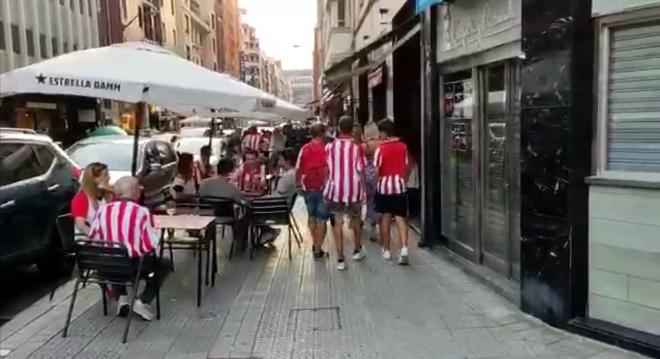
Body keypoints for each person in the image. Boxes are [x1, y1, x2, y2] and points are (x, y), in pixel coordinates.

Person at [89, 176, 170, 321]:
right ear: (133, 190)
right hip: (130, 269)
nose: (141, 189)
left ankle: (123, 299)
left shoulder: (103, 210)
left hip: (105, 268)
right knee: (163, 264)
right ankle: (142, 301)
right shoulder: (141, 212)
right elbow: (151, 244)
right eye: (139, 186)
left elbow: (93, 238)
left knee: (113, 255)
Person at [324, 116, 366, 270]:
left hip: (335, 189)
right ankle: (357, 249)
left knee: (337, 221)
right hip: (354, 188)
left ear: (339, 128)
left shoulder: (329, 147)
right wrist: (364, 192)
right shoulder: (357, 148)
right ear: (352, 130)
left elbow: (327, 169)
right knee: (356, 218)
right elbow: (360, 170)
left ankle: (340, 259)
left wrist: (326, 185)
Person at [374, 119, 410, 265]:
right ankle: (404, 249)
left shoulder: (380, 149)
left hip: (384, 187)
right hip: (399, 186)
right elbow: (406, 167)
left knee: (386, 218)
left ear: (383, 132)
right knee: (401, 218)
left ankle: (387, 250)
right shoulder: (403, 146)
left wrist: (378, 182)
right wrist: (403, 181)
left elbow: (377, 170)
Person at [296, 123, 331, 260]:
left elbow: (298, 168)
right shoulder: (326, 149)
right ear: (322, 134)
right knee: (322, 219)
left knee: (311, 216)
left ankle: (316, 245)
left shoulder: (304, 148)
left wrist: (298, 184)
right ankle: (318, 247)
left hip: (307, 187)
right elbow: (328, 169)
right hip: (323, 187)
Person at [71, 162, 114, 238]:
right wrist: (98, 237)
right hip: (89, 241)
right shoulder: (81, 198)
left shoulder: (108, 195)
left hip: (108, 239)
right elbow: (81, 225)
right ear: (94, 179)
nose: (109, 177)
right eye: (105, 175)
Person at [363, 121, 383, 242]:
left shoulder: (364, 146)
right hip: (379, 173)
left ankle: (372, 227)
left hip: (366, 176)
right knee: (380, 201)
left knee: (370, 202)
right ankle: (382, 227)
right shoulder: (382, 144)